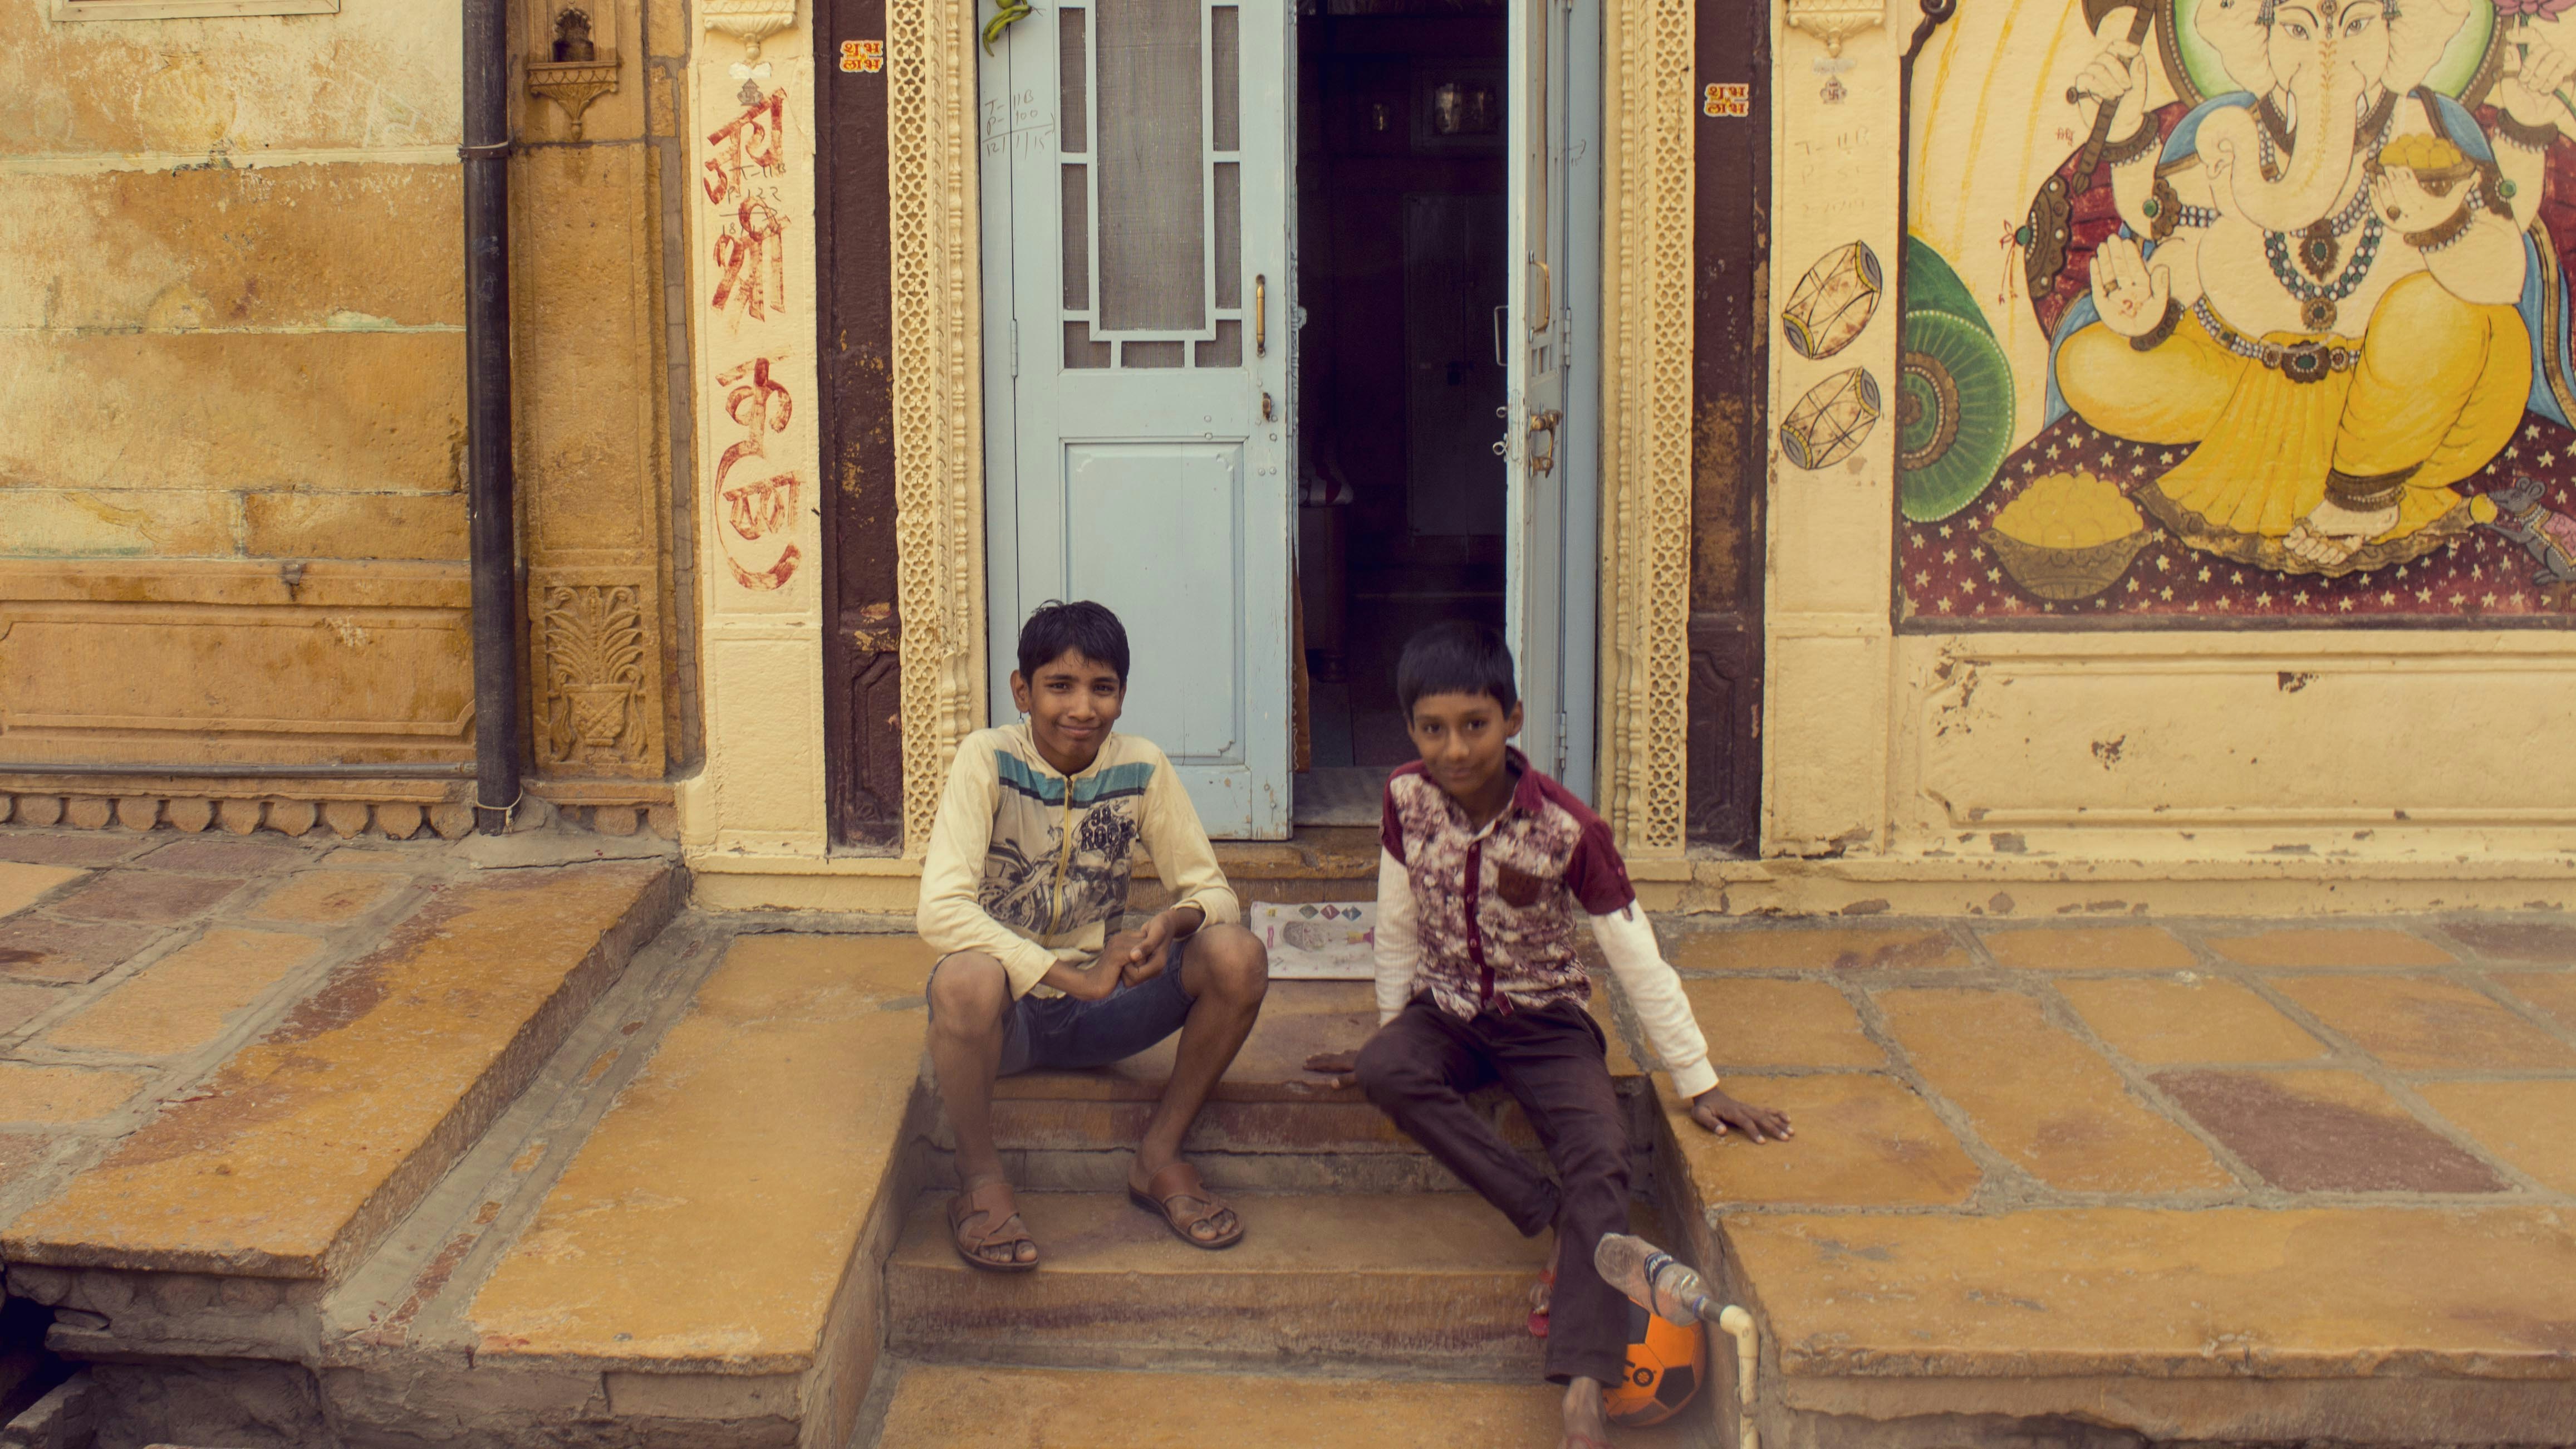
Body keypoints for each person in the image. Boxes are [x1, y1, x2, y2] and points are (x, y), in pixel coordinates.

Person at [1309, 621, 1789, 1449]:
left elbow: (1635, 957)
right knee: (1386, 1068)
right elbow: (1394, 921)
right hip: (1447, 1012)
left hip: (1546, 1024)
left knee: (1601, 1154)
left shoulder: (1569, 827)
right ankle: (1550, 1211)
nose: (1454, 749)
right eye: (1432, 729)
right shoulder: (1403, 798)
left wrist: (1697, 1078)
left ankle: (1582, 1387)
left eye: (1474, 725)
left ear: (1513, 719)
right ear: (1410, 730)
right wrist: (1392, 1030)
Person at [918, 600, 1270, 1272]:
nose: (1082, 708)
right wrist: (1067, 976)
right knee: (964, 980)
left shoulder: (1142, 765)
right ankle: (979, 1179)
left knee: (1238, 955)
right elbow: (940, 910)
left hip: (1106, 1008)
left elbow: (1214, 892)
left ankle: (1157, 1156)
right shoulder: (987, 758)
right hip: (1009, 1016)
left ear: (1122, 695)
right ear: (1022, 691)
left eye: (1102, 688)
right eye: (1060, 686)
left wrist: (1167, 925)